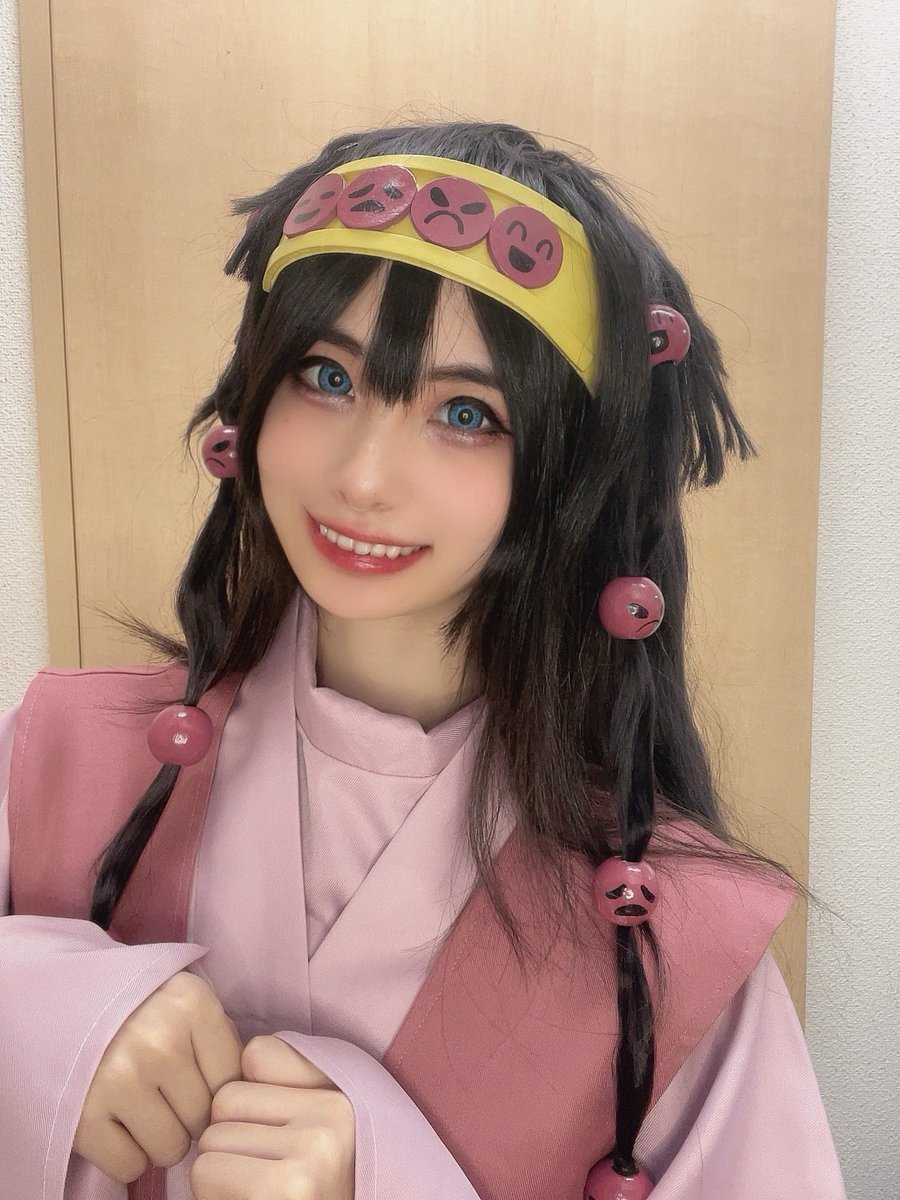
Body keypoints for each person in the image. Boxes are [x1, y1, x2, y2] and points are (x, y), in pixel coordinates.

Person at [0, 120, 847, 1200]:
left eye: (465, 412)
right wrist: (42, 1021)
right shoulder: (60, 757)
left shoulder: (665, 935)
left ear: (569, 477)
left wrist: (389, 1177)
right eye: (326, 375)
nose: (362, 476)